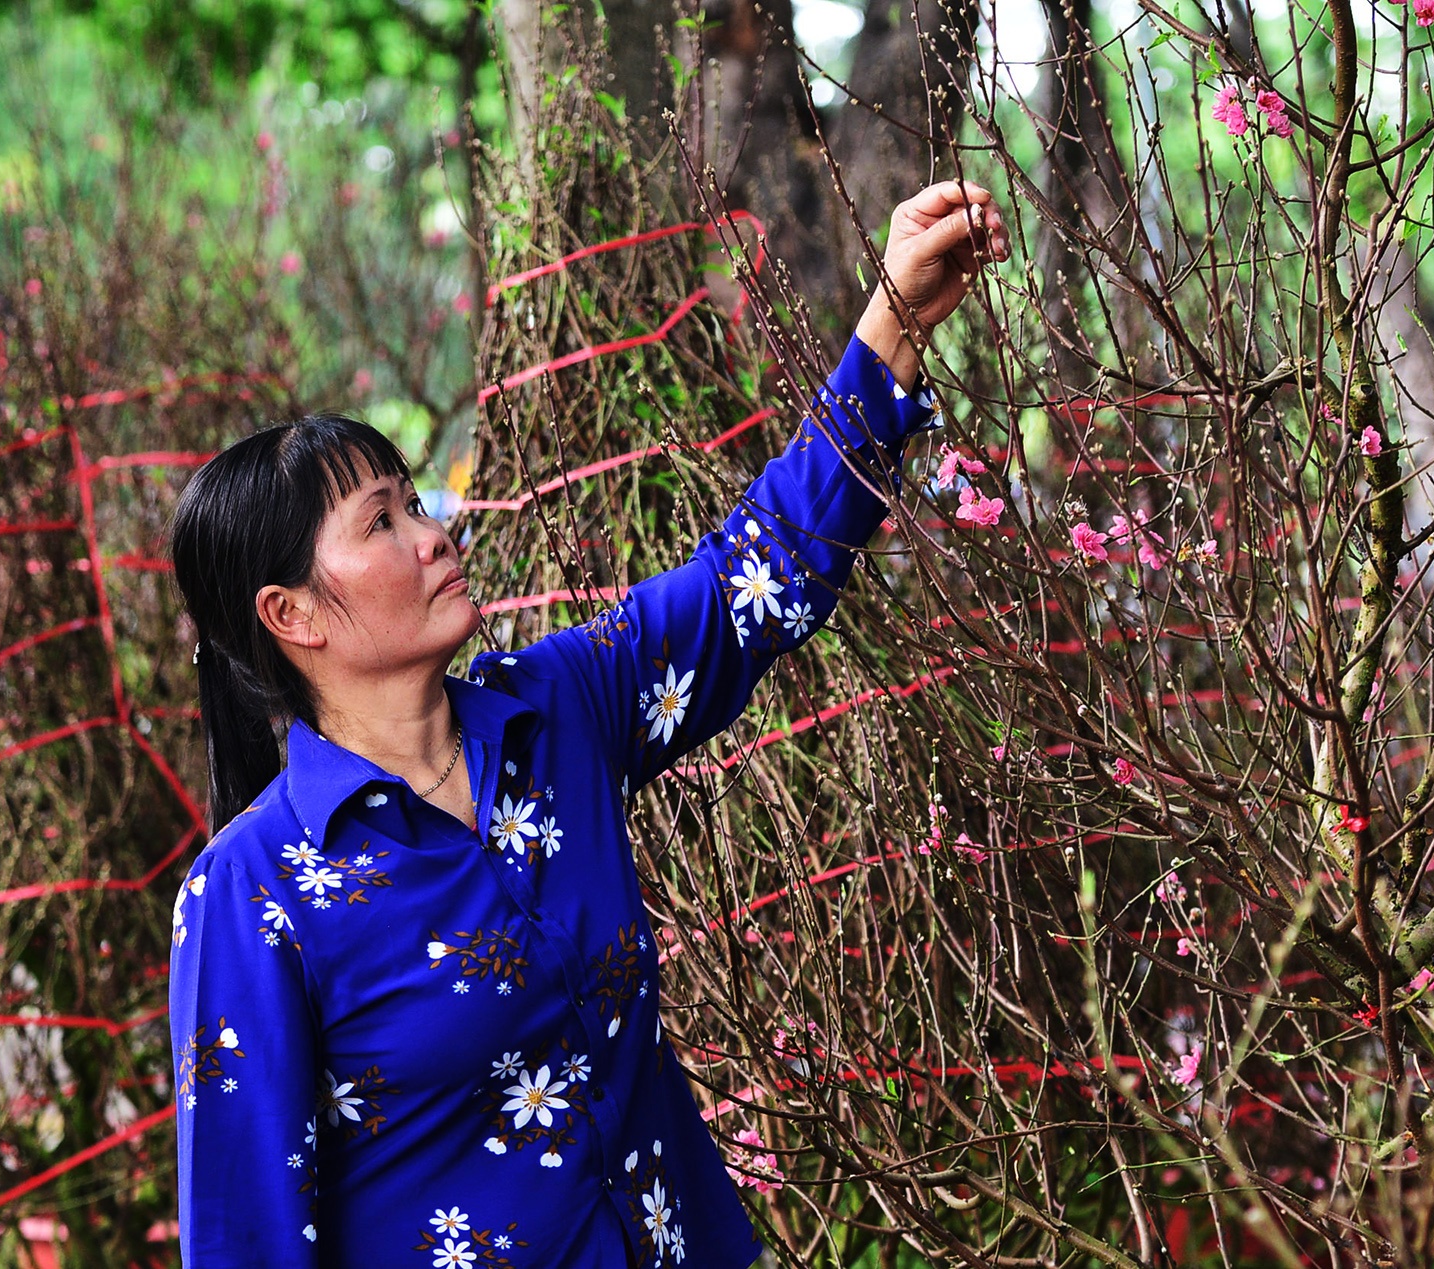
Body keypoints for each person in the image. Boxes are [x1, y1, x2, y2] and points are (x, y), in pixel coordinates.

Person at [167, 181, 1010, 1268]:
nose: (431, 535)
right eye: (381, 523)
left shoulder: (554, 712)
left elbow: (748, 587)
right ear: (290, 617)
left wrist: (891, 318)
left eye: (415, 502)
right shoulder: (253, 893)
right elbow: (246, 1240)